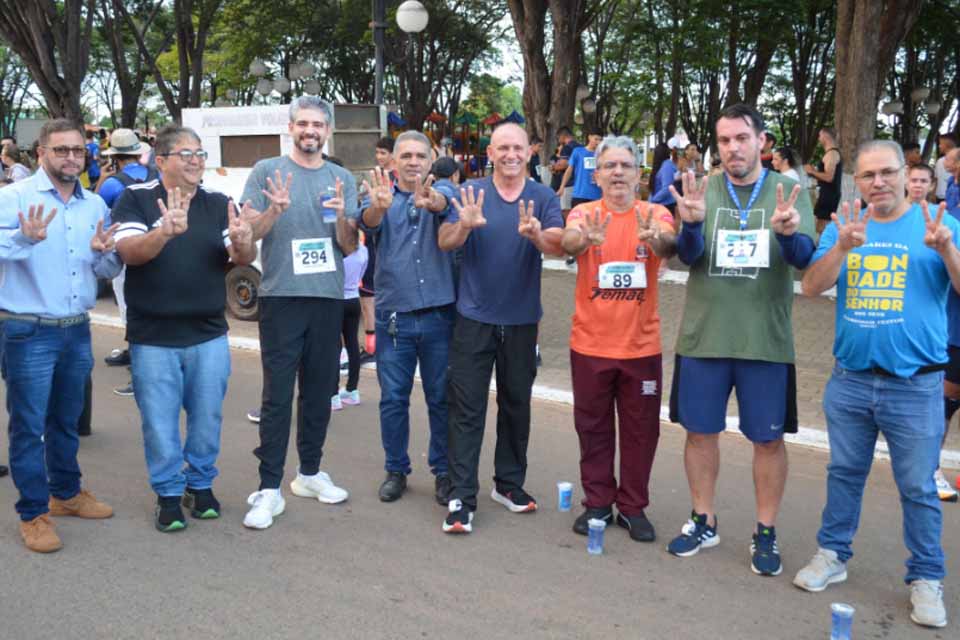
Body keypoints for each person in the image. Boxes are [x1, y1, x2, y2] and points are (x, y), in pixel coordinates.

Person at [794, 140, 956, 629]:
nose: (878, 183)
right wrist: (842, 246)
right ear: (857, 182)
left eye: (887, 172)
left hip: (916, 385)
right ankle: (832, 554)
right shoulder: (847, 225)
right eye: (868, 176)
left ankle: (927, 577)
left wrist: (947, 248)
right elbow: (810, 286)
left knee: (917, 486)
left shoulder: (938, 225)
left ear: (906, 177)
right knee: (844, 473)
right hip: (851, 381)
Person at [666, 103, 816, 577]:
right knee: (699, 432)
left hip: (764, 342)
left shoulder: (789, 190)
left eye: (741, 138)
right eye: (725, 140)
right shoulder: (703, 188)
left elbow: (804, 258)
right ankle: (702, 519)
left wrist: (790, 234)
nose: (733, 148)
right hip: (704, 336)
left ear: (761, 141)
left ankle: (765, 531)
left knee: (768, 440)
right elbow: (688, 257)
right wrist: (689, 225)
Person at [112, 125, 256, 532]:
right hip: (153, 336)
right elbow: (130, 254)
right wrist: (164, 231)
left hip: (209, 332)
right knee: (159, 421)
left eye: (200, 153)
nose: (196, 160)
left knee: (208, 417)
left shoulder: (217, 202)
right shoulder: (135, 199)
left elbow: (241, 255)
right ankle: (169, 493)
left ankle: (200, 484)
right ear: (160, 161)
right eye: (185, 153)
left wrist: (245, 240)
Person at [0, 118, 121, 553]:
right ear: (41, 154)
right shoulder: (13, 198)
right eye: (61, 150)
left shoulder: (94, 206)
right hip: (26, 329)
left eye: (78, 150)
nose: (72, 157)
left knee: (66, 420)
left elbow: (104, 268)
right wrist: (23, 238)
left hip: (76, 328)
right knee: (29, 426)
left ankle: (66, 494)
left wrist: (108, 258)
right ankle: (33, 513)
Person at [239, 96, 358, 530]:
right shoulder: (266, 171)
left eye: (318, 124)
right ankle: (268, 486)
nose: (310, 131)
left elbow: (350, 245)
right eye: (303, 123)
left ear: (328, 131)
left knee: (319, 393)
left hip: (327, 299)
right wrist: (274, 210)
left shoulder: (342, 177)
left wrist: (345, 217)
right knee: (277, 395)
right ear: (290, 128)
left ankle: (309, 473)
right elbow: (249, 235)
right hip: (281, 297)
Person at [438, 122, 564, 533]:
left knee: (516, 406)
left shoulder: (543, 196)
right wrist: (465, 226)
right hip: (473, 318)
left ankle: (508, 484)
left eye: (518, 148)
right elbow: (445, 241)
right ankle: (461, 496)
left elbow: (558, 244)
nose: (511, 154)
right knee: (466, 409)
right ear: (489, 153)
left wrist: (536, 236)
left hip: (523, 320)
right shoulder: (469, 192)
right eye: (503, 148)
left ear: (530, 153)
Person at [561, 135, 677, 542]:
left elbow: (669, 244)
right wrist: (584, 241)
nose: (617, 173)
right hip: (590, 346)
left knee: (641, 431)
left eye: (625, 165)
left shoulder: (655, 213)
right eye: (609, 166)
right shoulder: (585, 213)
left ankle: (632, 507)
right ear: (596, 173)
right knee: (592, 427)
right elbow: (569, 240)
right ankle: (597, 502)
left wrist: (656, 240)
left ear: (638, 173)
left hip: (641, 348)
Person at [360, 131, 457, 505]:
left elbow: (448, 204)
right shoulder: (380, 197)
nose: (414, 161)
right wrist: (379, 208)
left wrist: (435, 202)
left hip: (438, 317)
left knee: (440, 399)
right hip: (393, 318)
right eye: (407, 156)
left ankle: (443, 472)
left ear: (431, 161)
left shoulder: (445, 195)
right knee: (393, 399)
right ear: (393, 161)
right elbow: (365, 223)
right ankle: (395, 469)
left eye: (421, 155)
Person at [97, 129, 157, 394]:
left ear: (115, 157)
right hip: (156, 248)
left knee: (128, 309)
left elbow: (96, 211)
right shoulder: (158, 176)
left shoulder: (112, 184)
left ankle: (140, 372)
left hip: (124, 251)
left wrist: (100, 179)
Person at [359, 137, 396, 365]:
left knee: (370, 297)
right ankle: (373, 345)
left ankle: (374, 346)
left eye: (383, 152)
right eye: (377, 152)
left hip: (382, 246)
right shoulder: (376, 179)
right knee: (368, 296)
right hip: (371, 242)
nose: (379, 157)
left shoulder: (396, 181)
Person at [333, 239, 367, 410]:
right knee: (352, 343)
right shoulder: (363, 250)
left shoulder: (337, 248)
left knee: (334, 346)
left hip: (337, 299)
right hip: (354, 299)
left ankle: (333, 395)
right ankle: (352, 390)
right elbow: (362, 275)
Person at [804, 127, 842, 234]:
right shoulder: (830, 154)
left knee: (823, 228)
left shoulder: (832, 154)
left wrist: (812, 171)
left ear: (825, 136)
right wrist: (813, 173)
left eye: (820, 136)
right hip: (826, 194)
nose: (819, 138)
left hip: (829, 196)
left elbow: (829, 177)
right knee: (820, 227)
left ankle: (826, 249)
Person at [558, 131, 603, 209]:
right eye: (596, 139)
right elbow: (569, 170)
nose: (598, 142)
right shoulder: (578, 151)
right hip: (579, 194)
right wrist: (562, 186)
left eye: (600, 140)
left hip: (597, 195)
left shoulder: (602, 155)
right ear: (589, 137)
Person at [551, 126, 580, 216]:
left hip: (569, 183)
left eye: (558, 138)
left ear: (563, 136)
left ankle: (569, 228)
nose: (558, 140)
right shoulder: (581, 147)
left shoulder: (567, 147)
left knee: (566, 210)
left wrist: (554, 167)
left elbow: (563, 164)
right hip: (579, 183)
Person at [648, 142, 677, 211]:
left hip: (666, 207)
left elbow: (667, 189)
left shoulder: (667, 165)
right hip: (657, 205)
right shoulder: (659, 165)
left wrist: (652, 200)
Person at [934, 133, 956, 204]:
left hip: (953, 197)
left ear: (948, 145)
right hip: (939, 197)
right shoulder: (939, 161)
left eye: (940, 144)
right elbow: (936, 179)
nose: (939, 146)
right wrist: (933, 194)